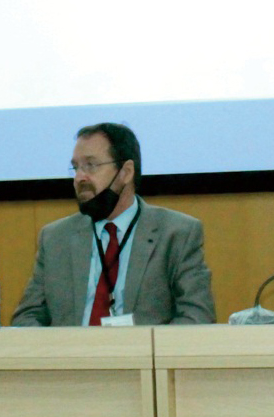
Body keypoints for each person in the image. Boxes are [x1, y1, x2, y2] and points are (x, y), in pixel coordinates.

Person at [12, 123, 216, 326]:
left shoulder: (177, 234)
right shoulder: (55, 238)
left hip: (142, 347)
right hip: (73, 347)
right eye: (76, 167)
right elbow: (26, 318)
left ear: (126, 172)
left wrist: (147, 345)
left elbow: (197, 317)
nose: (79, 177)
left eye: (90, 165)